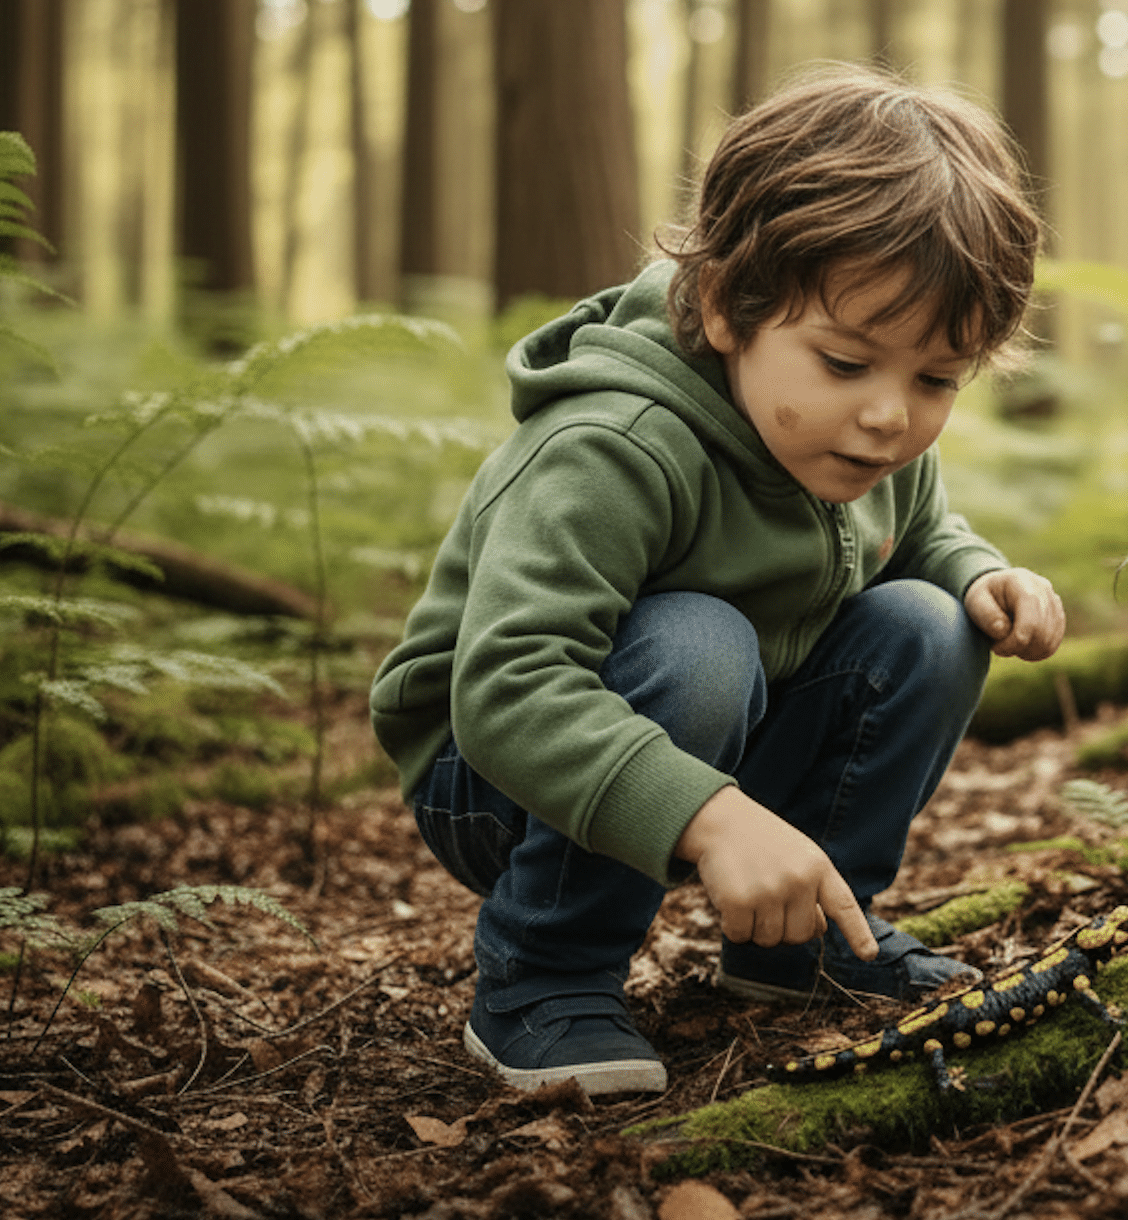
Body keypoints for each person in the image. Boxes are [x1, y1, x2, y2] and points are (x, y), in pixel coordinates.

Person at [370, 63, 1064, 1097]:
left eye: (933, 381)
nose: (889, 417)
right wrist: (712, 817)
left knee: (926, 623)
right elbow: (509, 687)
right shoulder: (612, 445)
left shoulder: (868, 444)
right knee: (699, 640)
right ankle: (542, 972)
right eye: (844, 362)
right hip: (497, 775)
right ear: (724, 304)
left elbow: (919, 535)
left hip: (725, 741)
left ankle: (806, 936)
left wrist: (980, 577)